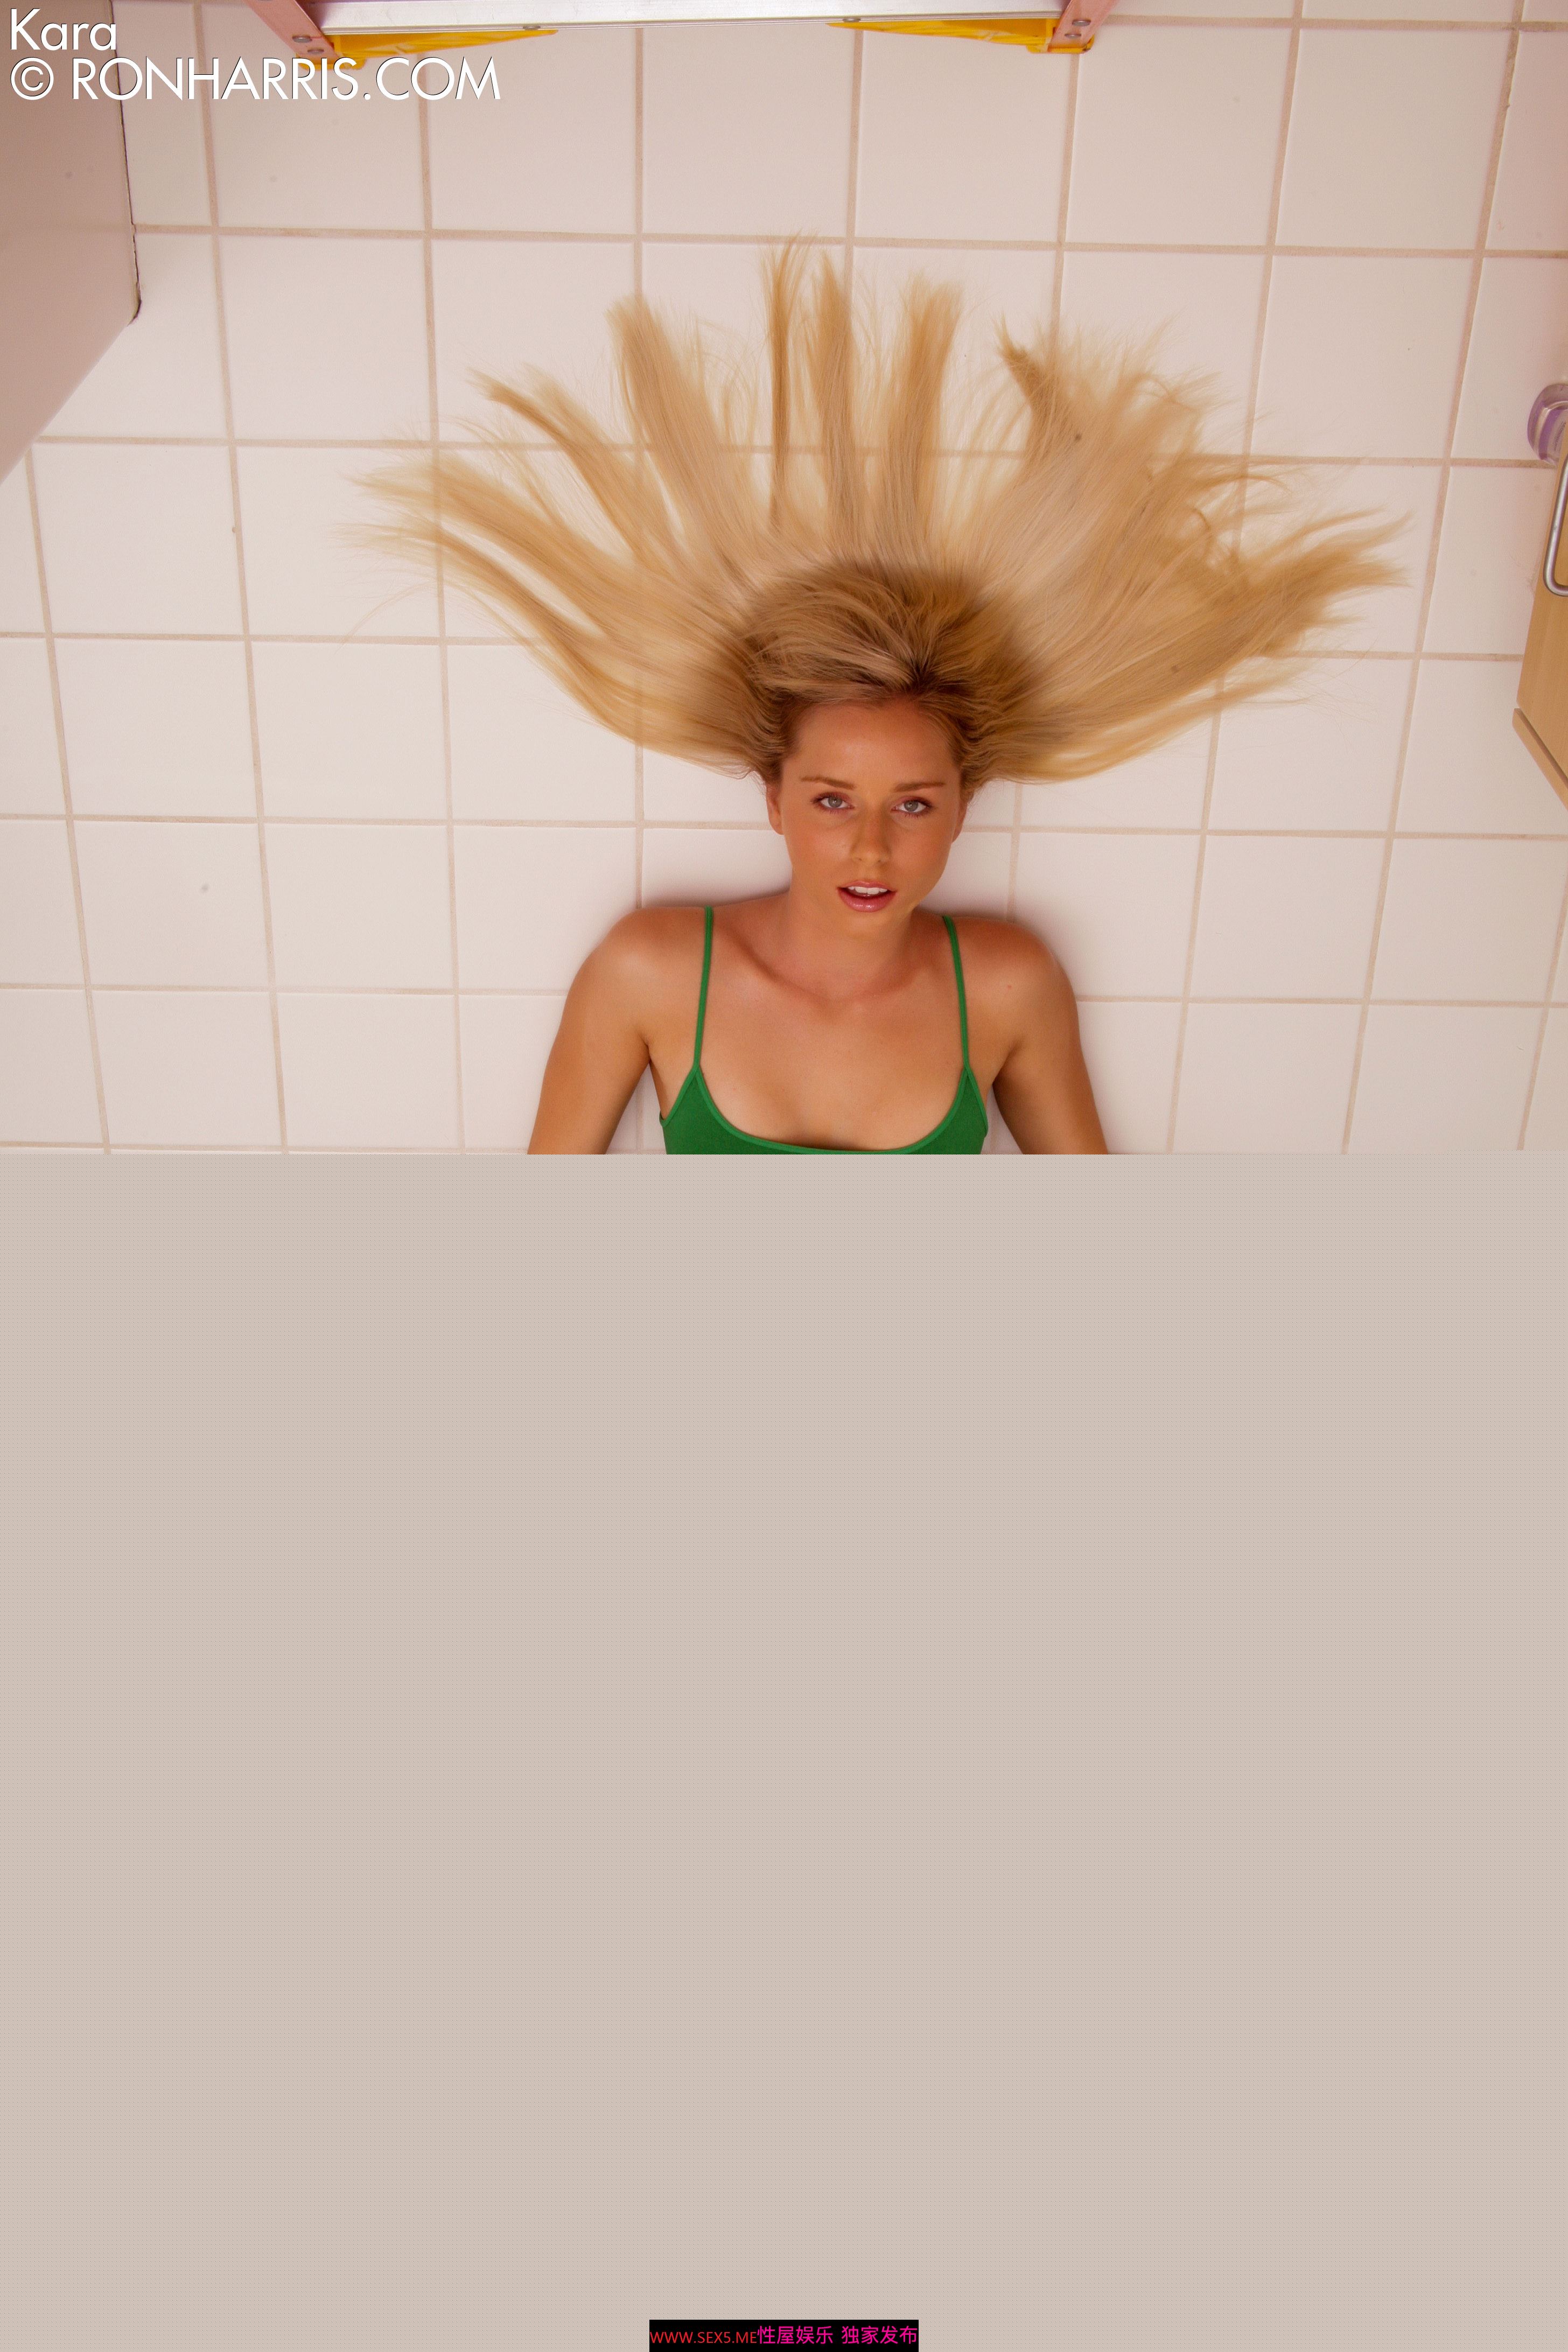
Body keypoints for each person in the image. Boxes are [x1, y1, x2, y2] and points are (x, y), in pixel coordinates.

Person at [367, 242, 1398, 1154]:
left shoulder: (1008, 984)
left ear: (964, 806)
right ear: (773, 800)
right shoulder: (652, 969)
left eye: (912, 804)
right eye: (832, 800)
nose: (871, 850)